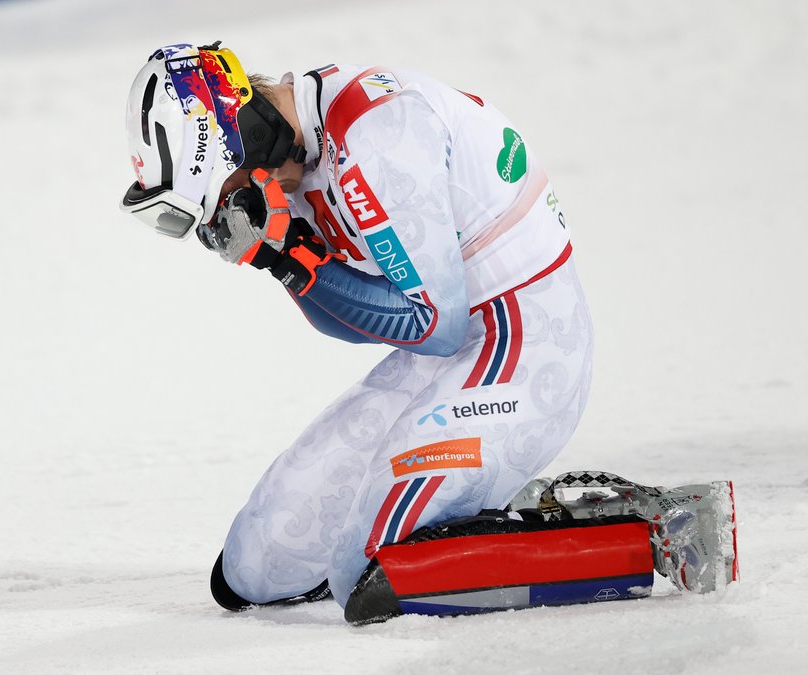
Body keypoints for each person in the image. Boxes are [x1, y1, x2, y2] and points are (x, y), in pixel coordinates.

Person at [119, 42, 737, 624]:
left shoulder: (376, 134)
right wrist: (282, 258)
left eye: (221, 198)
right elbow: (361, 330)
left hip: (524, 343)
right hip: (440, 357)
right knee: (252, 570)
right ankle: (463, 501)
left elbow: (436, 325)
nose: (227, 217)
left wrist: (293, 257)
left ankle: (651, 529)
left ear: (242, 139)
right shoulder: (290, 169)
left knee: (367, 570)